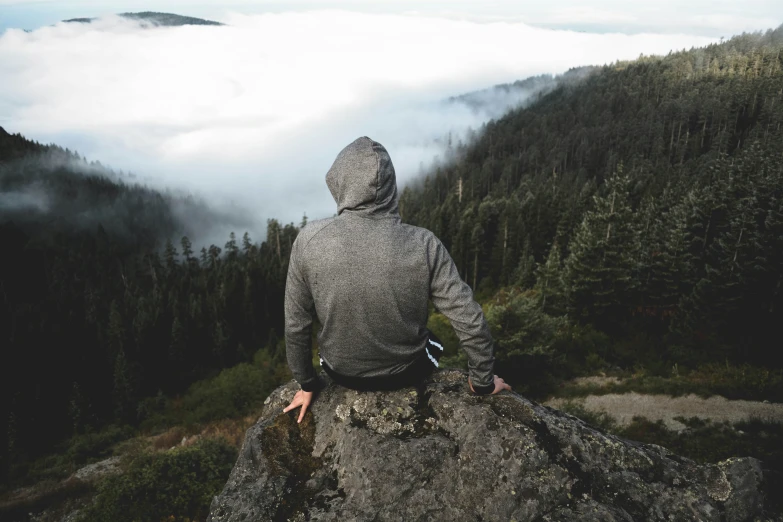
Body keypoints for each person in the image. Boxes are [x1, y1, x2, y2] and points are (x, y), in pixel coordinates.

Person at [283, 137, 510, 423]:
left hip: (339, 372)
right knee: (433, 342)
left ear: (339, 183)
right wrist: (482, 381)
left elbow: (295, 325)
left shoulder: (309, 241)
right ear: (391, 186)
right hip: (408, 373)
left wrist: (306, 384)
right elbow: (469, 318)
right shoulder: (424, 243)